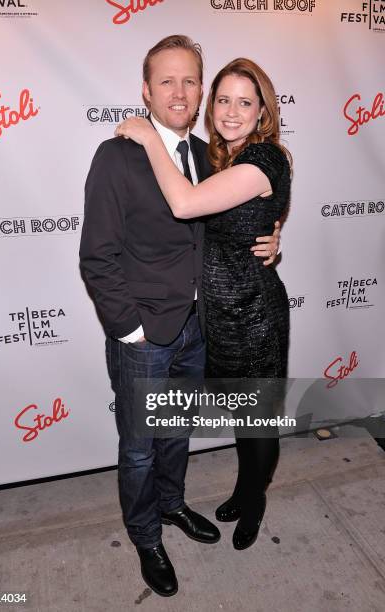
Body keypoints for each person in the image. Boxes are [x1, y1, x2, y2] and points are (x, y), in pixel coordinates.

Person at [80, 37, 280, 597]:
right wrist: (129, 329)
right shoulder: (116, 155)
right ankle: (145, 536)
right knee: (140, 447)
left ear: (201, 93)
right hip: (144, 335)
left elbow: (239, 211)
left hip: (198, 329)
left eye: (191, 81)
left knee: (175, 434)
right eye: (166, 80)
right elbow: (97, 255)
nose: (180, 91)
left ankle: (171, 507)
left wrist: (273, 234)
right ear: (146, 90)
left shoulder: (208, 155)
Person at [116, 57, 291, 552]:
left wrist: (149, 137)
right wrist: (273, 233)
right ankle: (243, 489)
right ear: (211, 106)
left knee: (257, 421)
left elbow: (187, 205)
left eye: (245, 102)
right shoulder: (217, 158)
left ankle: (254, 501)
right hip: (215, 317)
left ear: (263, 112)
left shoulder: (264, 160)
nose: (232, 112)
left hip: (253, 314)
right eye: (223, 99)